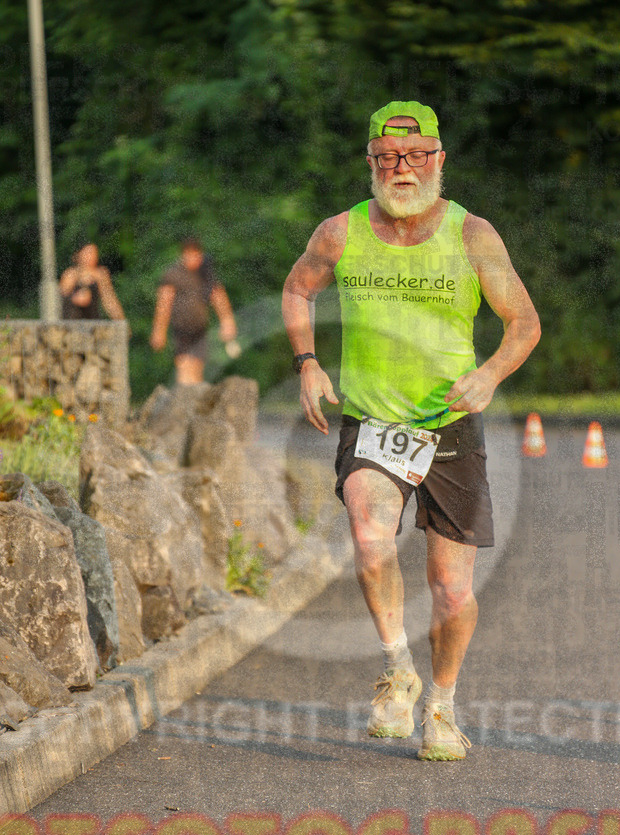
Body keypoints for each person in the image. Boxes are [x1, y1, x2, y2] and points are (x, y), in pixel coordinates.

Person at [282, 101, 541, 761]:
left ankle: (442, 707)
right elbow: (296, 289)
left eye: (415, 156)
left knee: (450, 587)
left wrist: (488, 375)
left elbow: (523, 324)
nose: (401, 169)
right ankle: (396, 668)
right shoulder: (340, 233)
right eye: (387, 158)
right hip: (371, 420)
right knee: (371, 542)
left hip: (450, 426)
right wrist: (308, 364)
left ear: (438, 161)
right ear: (370, 162)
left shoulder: (472, 234)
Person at [150, 238, 240, 385]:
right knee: (184, 367)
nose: (194, 260)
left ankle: (194, 403)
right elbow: (164, 303)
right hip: (181, 328)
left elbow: (218, 297)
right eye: (190, 256)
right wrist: (159, 331)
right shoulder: (173, 274)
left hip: (200, 328)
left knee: (197, 369)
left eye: (197, 256)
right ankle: (185, 401)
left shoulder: (206, 273)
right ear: (184, 255)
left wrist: (227, 321)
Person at [60, 243, 126, 321]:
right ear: (79, 255)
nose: (92, 256)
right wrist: (75, 298)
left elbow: (109, 300)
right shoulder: (70, 274)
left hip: (93, 320)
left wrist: (121, 320)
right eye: (88, 253)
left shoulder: (101, 274)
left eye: (94, 253)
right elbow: (62, 298)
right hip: (72, 320)